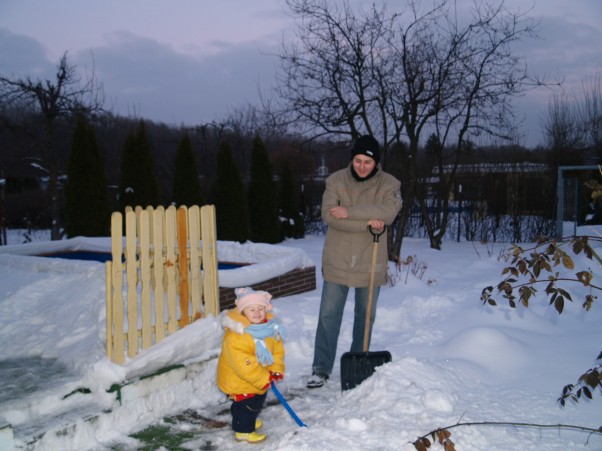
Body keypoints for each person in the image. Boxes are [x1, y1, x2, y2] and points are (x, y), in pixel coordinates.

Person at [307, 135, 402, 389]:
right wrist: (369, 221)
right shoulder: (336, 180)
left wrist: (349, 212)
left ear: (376, 162)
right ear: (352, 159)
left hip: (370, 260)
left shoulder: (390, 184)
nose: (361, 166)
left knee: (365, 316)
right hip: (338, 258)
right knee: (329, 316)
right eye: (358, 160)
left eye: (367, 161)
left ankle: (357, 364)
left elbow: (389, 213)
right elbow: (329, 216)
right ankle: (320, 368)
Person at [217, 287, 286, 443]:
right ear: (242, 312)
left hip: (258, 377)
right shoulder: (237, 336)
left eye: (261, 308)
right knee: (250, 404)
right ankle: (243, 430)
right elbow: (244, 365)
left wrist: (275, 370)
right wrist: (264, 379)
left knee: (244, 405)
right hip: (240, 380)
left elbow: (277, 351)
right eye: (252, 309)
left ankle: (242, 419)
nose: (257, 312)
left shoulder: (268, 329)